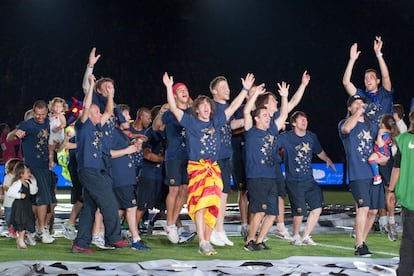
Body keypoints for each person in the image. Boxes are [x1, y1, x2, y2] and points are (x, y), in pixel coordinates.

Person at [163, 71, 251, 255]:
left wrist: (244, 90)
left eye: (207, 106)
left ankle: (208, 238)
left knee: (213, 205)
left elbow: (233, 106)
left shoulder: (217, 121)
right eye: (202, 106)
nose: (205, 108)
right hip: (197, 169)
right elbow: (173, 107)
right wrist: (167, 88)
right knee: (200, 205)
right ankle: (203, 241)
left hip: (214, 169)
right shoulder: (190, 122)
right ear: (196, 109)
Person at [71, 74, 128, 254]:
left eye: (98, 112)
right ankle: (113, 238)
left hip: (98, 170)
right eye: (95, 112)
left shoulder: (98, 127)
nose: (98, 114)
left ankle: (80, 243)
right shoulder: (83, 127)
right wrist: (91, 85)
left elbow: (109, 112)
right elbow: (87, 106)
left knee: (90, 207)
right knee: (110, 203)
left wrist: (110, 95)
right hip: (89, 170)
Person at [338, 94, 386, 257]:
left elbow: (378, 147)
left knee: (373, 211)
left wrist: (383, 157)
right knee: (363, 208)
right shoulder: (345, 124)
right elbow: (346, 129)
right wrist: (357, 113)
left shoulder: (371, 125)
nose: (360, 106)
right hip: (358, 174)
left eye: (362, 104)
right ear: (350, 108)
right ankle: (360, 245)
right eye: (356, 104)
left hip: (373, 174)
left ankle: (361, 242)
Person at [243, 82, 289, 251]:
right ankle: (249, 241)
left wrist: (284, 96)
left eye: (268, 116)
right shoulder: (251, 132)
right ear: (257, 118)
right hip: (257, 177)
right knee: (259, 211)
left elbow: (284, 113)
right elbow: (247, 111)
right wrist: (254, 95)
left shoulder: (272, 131)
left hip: (271, 177)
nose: (268, 118)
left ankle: (259, 240)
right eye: (264, 115)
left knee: (272, 213)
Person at [278, 111, 336, 246]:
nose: (304, 122)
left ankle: (306, 236)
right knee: (299, 211)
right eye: (301, 120)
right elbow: (273, 146)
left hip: (309, 180)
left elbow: (319, 151)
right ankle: (296, 236)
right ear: (293, 123)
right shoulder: (285, 137)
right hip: (294, 180)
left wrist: (327, 159)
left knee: (317, 208)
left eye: (306, 119)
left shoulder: (311, 137)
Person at [7, 100, 56, 244]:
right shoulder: (27, 124)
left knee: (47, 201)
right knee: (43, 200)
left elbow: (53, 142)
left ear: (46, 112)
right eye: (37, 114)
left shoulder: (49, 123)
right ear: (33, 112)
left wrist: (52, 156)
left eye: (42, 114)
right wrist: (16, 132)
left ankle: (34, 229)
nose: (40, 117)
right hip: (33, 167)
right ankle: (41, 230)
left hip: (46, 166)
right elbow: (10, 138)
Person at [153, 83, 192, 244]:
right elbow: (156, 127)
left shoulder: (192, 112)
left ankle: (173, 223)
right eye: (180, 90)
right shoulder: (170, 112)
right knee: (174, 189)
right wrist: (162, 111)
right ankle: (169, 223)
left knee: (184, 190)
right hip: (174, 155)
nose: (184, 92)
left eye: (186, 90)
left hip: (189, 156)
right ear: (174, 95)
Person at [111, 104, 150, 251]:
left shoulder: (121, 133)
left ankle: (109, 236)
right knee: (131, 207)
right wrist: (128, 149)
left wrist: (134, 144)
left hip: (126, 176)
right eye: (125, 115)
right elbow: (108, 153)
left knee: (119, 209)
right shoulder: (113, 133)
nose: (128, 118)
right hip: (121, 177)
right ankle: (135, 239)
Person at [342, 36, 393, 126]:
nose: (368, 79)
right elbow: (346, 83)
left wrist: (378, 54)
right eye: (366, 78)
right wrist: (352, 60)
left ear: (378, 81)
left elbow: (386, 77)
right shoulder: (361, 96)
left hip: (388, 135)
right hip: (370, 137)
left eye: (371, 77)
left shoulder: (385, 93)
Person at [387, 111, 414, 275]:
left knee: (409, 240)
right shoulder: (402, 140)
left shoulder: (403, 141)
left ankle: (404, 272)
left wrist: (391, 190)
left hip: (408, 199)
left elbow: (396, 168)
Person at [7, 163, 38, 249]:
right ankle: (20, 239)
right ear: (21, 174)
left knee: (27, 221)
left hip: (26, 205)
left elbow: (33, 192)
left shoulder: (28, 182)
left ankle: (24, 238)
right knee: (22, 221)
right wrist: (19, 195)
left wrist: (34, 181)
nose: (29, 174)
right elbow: (10, 192)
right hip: (20, 206)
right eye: (27, 172)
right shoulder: (18, 183)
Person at [368, 114, 399, 185]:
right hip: (384, 156)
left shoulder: (385, 135)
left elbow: (380, 144)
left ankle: (377, 176)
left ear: (383, 125)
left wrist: (379, 135)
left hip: (383, 155)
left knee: (371, 159)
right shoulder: (389, 134)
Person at [2, 158, 23, 238]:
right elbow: (6, 187)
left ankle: (15, 229)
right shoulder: (8, 177)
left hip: (17, 202)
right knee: (8, 216)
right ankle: (10, 229)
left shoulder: (19, 177)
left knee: (17, 216)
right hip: (9, 202)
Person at [47, 97, 68, 169]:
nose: (57, 108)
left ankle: (62, 162)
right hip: (52, 135)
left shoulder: (61, 116)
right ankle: (51, 162)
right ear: (52, 107)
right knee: (50, 150)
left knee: (59, 148)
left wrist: (58, 128)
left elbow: (64, 124)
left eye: (60, 107)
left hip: (59, 135)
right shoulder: (50, 116)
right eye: (56, 106)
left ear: (63, 108)